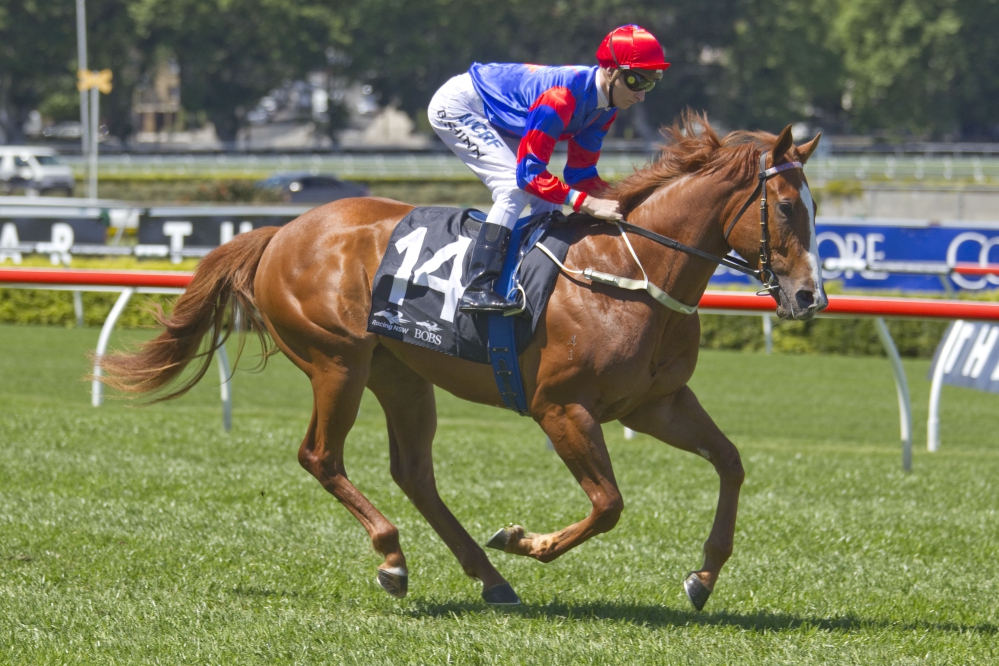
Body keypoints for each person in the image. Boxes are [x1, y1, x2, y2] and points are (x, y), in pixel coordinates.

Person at [428, 24, 670, 314]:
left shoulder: (606, 109)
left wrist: (625, 200)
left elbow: (580, 174)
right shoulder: (560, 98)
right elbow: (529, 174)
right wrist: (585, 202)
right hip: (460, 106)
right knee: (513, 188)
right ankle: (478, 287)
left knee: (549, 200)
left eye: (649, 84)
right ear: (610, 71)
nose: (641, 95)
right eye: (635, 81)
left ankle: (529, 280)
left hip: (501, 116)